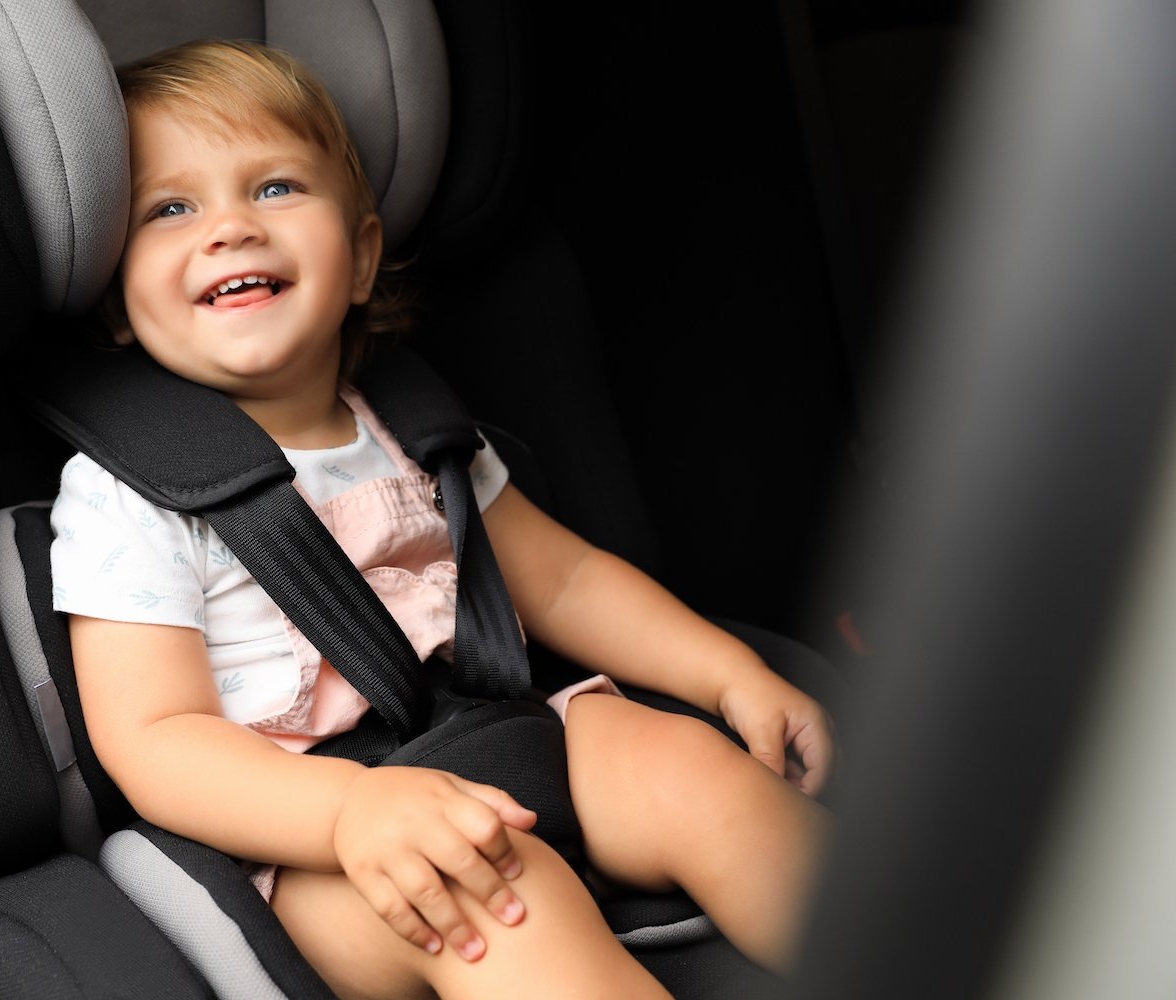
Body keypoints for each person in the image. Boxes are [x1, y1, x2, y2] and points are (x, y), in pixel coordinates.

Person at [51, 37, 835, 999]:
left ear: (362, 255)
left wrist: (727, 674)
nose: (228, 230)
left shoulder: (410, 428)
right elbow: (155, 737)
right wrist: (349, 811)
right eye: (170, 209)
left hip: (495, 733)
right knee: (504, 901)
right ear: (119, 297)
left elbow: (568, 582)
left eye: (275, 189)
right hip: (320, 837)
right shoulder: (133, 492)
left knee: (692, 769)